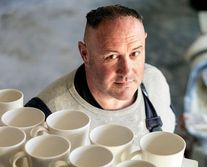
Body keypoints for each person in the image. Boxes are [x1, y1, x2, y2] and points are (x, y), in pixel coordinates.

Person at [25, 4, 176, 142]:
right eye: (112, 56)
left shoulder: (154, 81)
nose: (127, 70)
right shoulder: (47, 114)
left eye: (135, 53)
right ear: (85, 54)